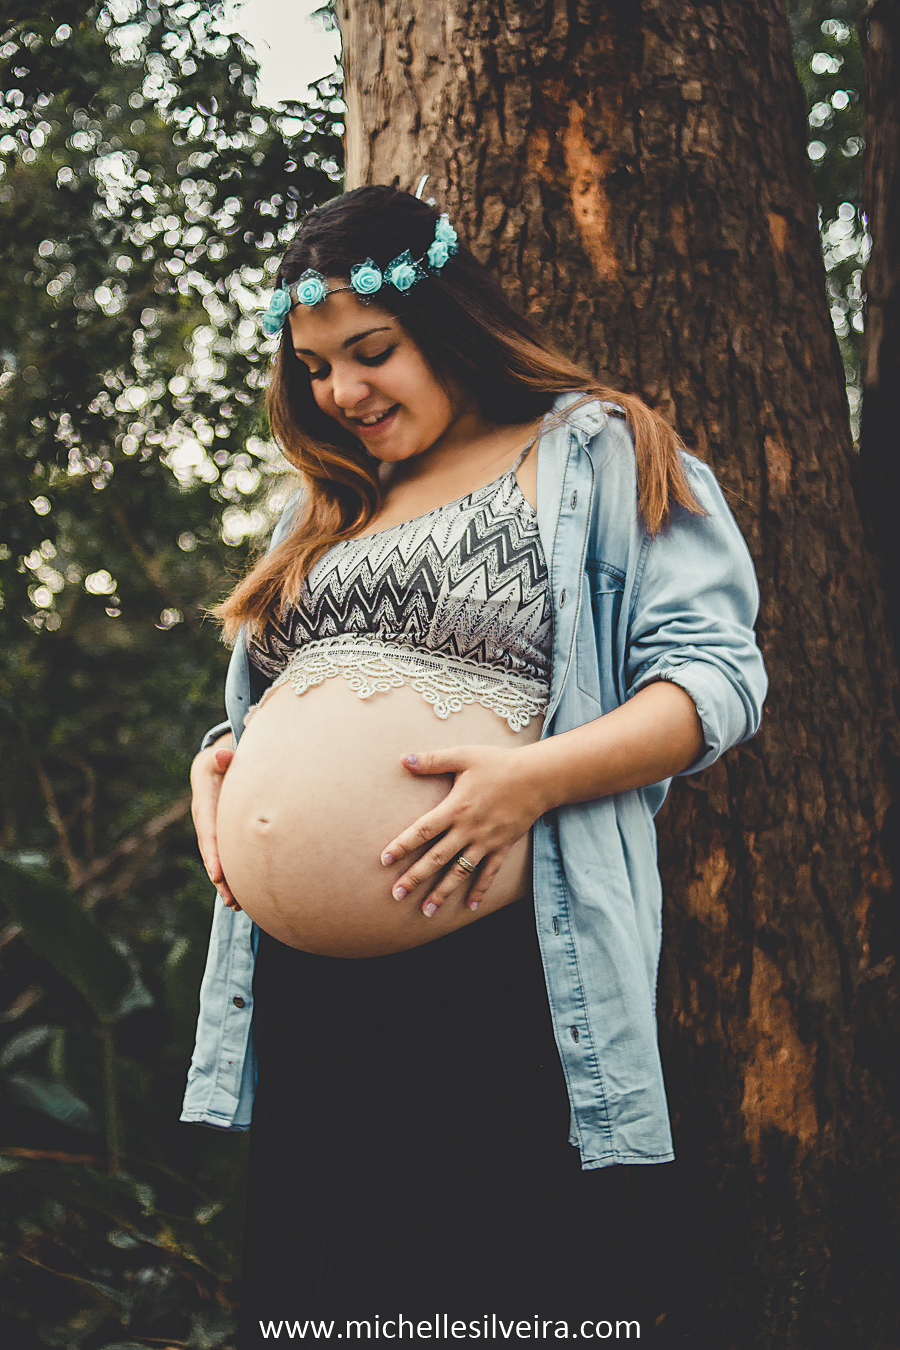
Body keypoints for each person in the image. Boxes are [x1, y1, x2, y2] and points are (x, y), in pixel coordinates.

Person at [183, 185, 767, 1342]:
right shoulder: (326, 505)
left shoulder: (597, 451)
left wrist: (529, 781)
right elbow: (277, 698)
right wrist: (221, 771)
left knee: (486, 1297)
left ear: (447, 322)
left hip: (497, 975)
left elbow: (716, 679)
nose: (342, 392)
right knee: (325, 1306)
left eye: (372, 351)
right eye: (313, 366)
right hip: (303, 994)